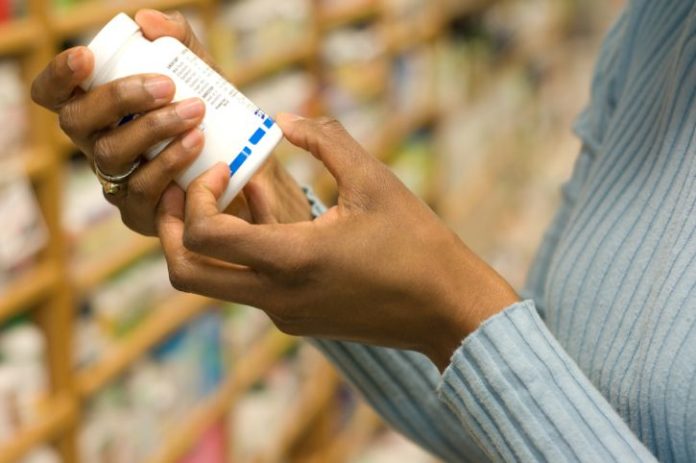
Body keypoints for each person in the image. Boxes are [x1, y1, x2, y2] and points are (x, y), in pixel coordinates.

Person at [31, 3, 694, 461]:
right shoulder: (657, 26)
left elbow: (502, 362)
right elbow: (523, 413)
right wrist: (257, 193)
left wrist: (455, 310)